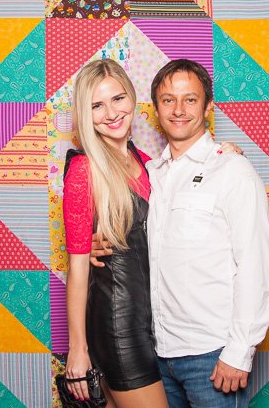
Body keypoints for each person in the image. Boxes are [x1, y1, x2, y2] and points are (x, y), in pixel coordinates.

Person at [92, 59, 269, 407]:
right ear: (155, 109)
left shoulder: (232, 170)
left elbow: (255, 266)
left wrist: (239, 351)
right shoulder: (151, 173)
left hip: (213, 354)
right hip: (158, 353)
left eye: (190, 99)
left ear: (207, 108)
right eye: (168, 100)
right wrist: (91, 246)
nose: (178, 110)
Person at [63, 59, 169, 407]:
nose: (111, 113)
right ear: (85, 113)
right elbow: (78, 267)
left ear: (132, 98)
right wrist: (77, 350)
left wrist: (222, 154)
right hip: (118, 324)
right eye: (97, 105)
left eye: (118, 99)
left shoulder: (145, 161)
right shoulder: (84, 169)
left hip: (154, 323)